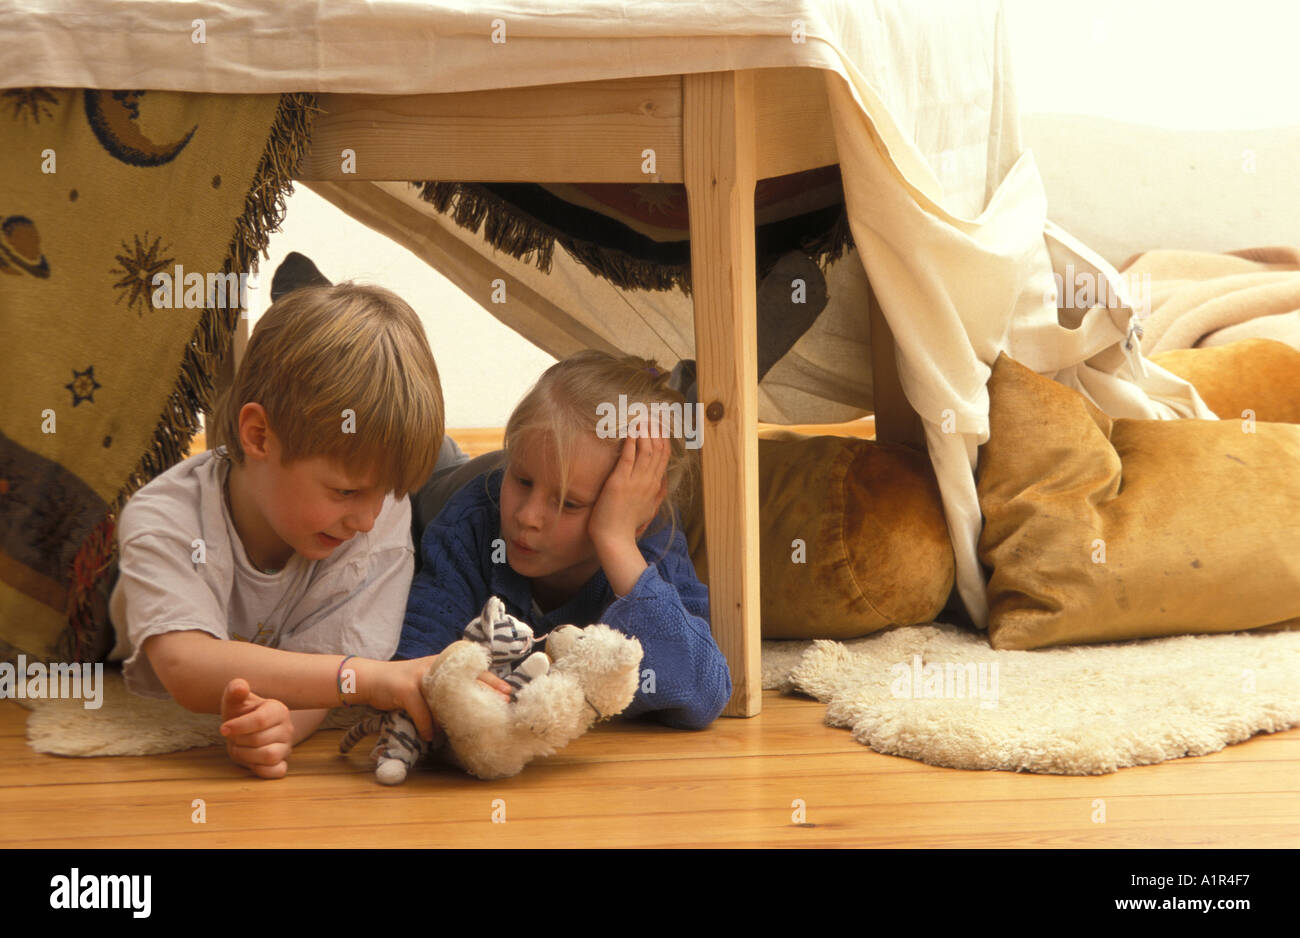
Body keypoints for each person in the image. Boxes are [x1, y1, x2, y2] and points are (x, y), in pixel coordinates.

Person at [108, 282, 511, 779]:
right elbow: (187, 667)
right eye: (345, 492)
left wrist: (280, 724)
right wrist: (368, 679)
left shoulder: (377, 513)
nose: (366, 521)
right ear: (258, 436)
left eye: (384, 492)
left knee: (445, 482)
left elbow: (325, 665)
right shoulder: (165, 517)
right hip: (113, 604)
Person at [400, 350, 732, 729]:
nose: (527, 517)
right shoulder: (469, 524)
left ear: (637, 517)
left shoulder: (651, 543)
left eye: (568, 503)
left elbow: (704, 692)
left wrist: (617, 543)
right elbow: (412, 663)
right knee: (424, 463)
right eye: (522, 480)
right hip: (439, 488)